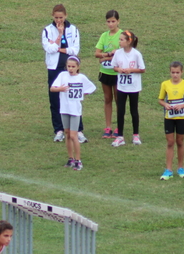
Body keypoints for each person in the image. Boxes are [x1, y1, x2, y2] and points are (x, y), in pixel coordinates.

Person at [42, 4, 86, 143]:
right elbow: (49, 49)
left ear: (65, 16)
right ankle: (59, 130)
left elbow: (75, 50)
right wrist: (59, 36)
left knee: (73, 98)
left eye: (61, 17)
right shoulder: (48, 30)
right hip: (54, 68)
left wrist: (60, 49)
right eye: (56, 18)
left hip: (70, 67)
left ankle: (78, 130)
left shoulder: (73, 29)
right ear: (52, 16)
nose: (58, 20)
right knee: (55, 99)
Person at [50, 56, 96, 169]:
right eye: (69, 66)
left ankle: (78, 160)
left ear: (78, 67)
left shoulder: (81, 78)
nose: (70, 69)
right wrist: (59, 89)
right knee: (67, 133)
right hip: (64, 109)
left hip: (75, 110)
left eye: (73, 67)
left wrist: (83, 94)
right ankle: (70, 158)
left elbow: (92, 87)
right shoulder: (62, 76)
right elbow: (52, 88)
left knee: (73, 135)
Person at [158, 61, 184, 179]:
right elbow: (160, 99)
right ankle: (168, 169)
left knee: (180, 141)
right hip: (169, 117)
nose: (175, 75)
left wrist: (182, 106)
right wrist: (165, 105)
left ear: (182, 72)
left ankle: (180, 167)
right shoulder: (165, 84)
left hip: (181, 117)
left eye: (177, 72)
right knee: (170, 142)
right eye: (173, 72)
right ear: (170, 72)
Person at [111, 30, 145, 147]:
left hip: (133, 87)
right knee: (120, 111)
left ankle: (136, 134)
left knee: (133, 111)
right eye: (119, 39)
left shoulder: (136, 54)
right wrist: (119, 69)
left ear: (129, 41)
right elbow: (114, 66)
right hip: (121, 87)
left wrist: (131, 70)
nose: (119, 42)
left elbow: (142, 69)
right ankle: (120, 136)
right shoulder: (118, 53)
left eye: (121, 40)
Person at [94, 9, 123, 139]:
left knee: (118, 100)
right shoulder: (104, 36)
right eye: (108, 21)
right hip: (105, 72)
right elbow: (97, 53)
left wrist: (105, 58)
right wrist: (109, 54)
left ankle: (118, 127)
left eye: (113, 21)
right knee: (107, 99)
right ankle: (108, 127)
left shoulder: (122, 35)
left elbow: (122, 54)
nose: (111, 24)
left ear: (118, 21)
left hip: (117, 73)